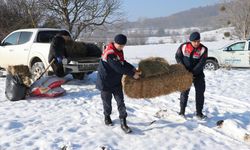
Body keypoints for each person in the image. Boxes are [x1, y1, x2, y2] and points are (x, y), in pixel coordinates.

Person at [96, 34, 141, 133]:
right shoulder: (110, 53)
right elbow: (118, 68)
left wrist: (132, 68)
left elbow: (122, 62)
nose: (121, 47)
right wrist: (132, 74)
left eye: (123, 46)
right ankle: (107, 116)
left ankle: (123, 122)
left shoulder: (118, 51)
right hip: (105, 82)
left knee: (121, 102)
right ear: (115, 43)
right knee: (107, 103)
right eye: (119, 45)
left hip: (116, 82)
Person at [175, 31, 208, 119]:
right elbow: (178, 57)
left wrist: (192, 73)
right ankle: (182, 112)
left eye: (198, 41)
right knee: (184, 92)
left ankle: (199, 113)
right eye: (195, 41)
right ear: (190, 41)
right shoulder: (184, 46)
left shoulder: (203, 49)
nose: (197, 43)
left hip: (198, 74)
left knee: (200, 93)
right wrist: (183, 69)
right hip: (185, 73)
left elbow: (201, 63)